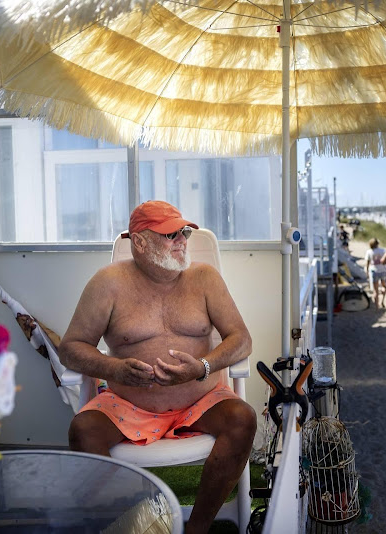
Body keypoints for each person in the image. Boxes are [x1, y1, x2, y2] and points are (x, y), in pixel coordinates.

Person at [60, 200, 256, 534]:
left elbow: (241, 339)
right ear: (140, 242)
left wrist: (203, 367)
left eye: (185, 231)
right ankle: (136, 524)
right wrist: (113, 368)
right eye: (170, 234)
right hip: (128, 404)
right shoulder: (107, 283)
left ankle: (196, 529)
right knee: (83, 431)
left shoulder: (205, 278)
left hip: (199, 402)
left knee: (243, 420)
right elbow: (70, 348)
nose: (182, 239)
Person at [364, 238, 386, 308]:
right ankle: (382, 301)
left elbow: (367, 263)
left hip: (374, 270)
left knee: (375, 290)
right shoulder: (383, 250)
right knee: (384, 287)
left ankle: (377, 305)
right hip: (383, 270)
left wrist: (367, 271)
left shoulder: (369, 252)